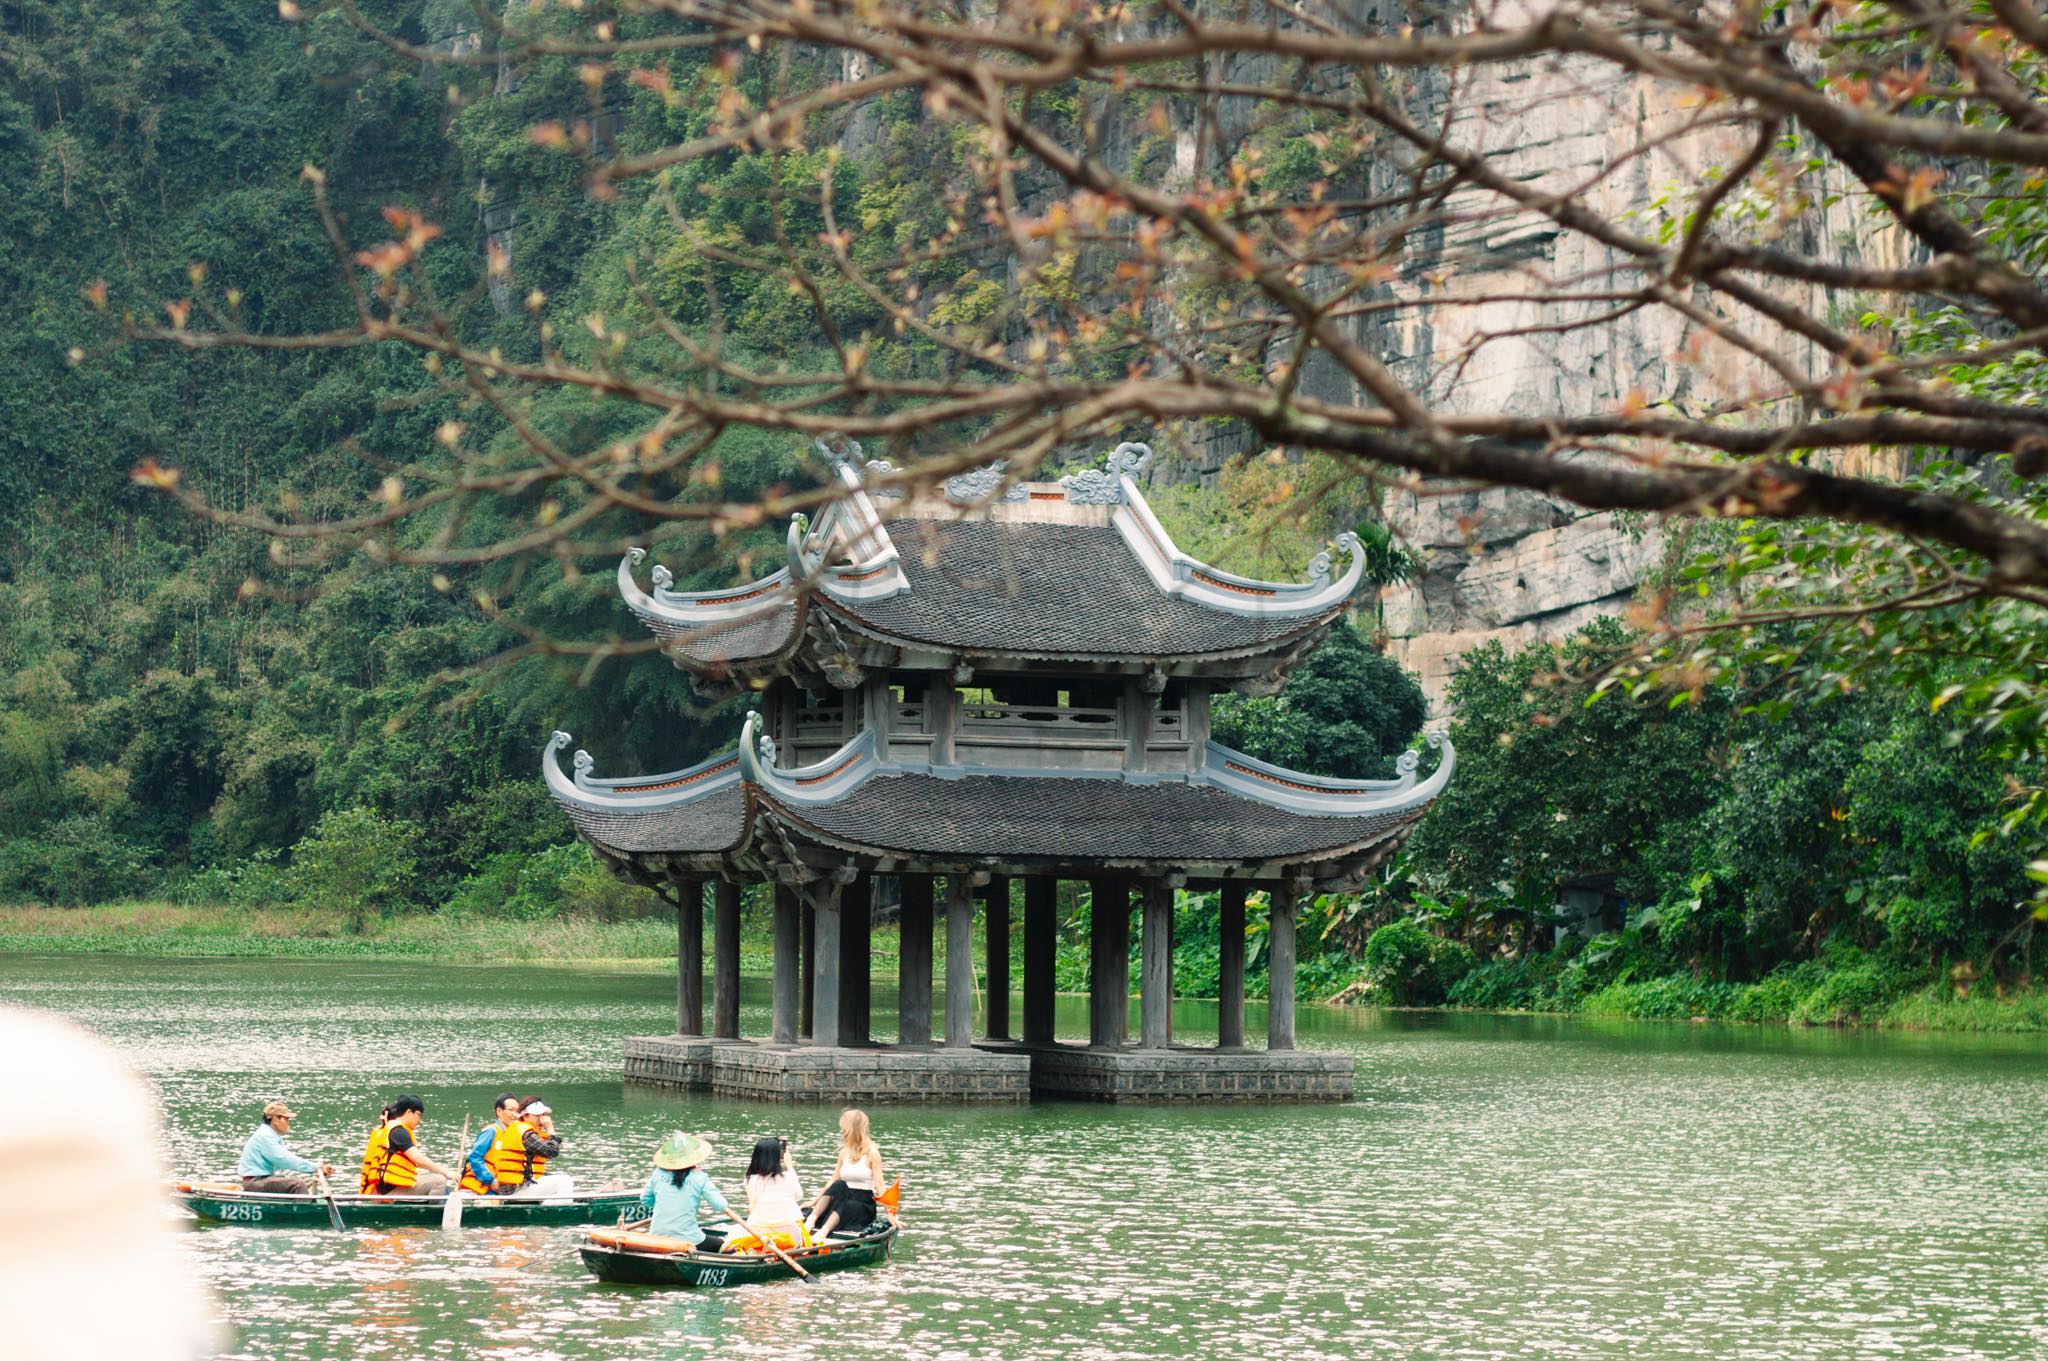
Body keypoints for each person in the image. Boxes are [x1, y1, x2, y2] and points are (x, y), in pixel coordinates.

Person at [639, 1132, 729, 1251]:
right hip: (689, 1240)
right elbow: (720, 1205)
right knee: (722, 1243)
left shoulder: (658, 1173)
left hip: (657, 1236)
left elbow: (645, 1200)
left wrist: (665, 1208)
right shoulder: (700, 1177)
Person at [803, 1108, 883, 1239]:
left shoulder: (872, 1153)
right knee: (838, 1184)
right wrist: (814, 1201)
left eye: (844, 1129)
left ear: (853, 1130)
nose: (841, 1132)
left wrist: (890, 1212)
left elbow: (880, 1186)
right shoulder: (844, 1153)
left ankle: (823, 1232)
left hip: (863, 1204)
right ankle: (811, 1220)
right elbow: (832, 1182)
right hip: (844, 1198)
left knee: (846, 1204)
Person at [722, 1136, 808, 1254]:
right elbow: (799, 1196)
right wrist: (790, 1166)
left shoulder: (749, 1180)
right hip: (790, 1236)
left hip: (759, 1235)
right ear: (779, 1157)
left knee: (736, 1231)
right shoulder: (789, 1177)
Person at [359, 1095, 459, 1196]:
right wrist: (447, 1173)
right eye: (419, 1115)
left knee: (429, 1175)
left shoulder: (389, 1128)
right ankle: (433, 1211)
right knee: (439, 1180)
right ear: (408, 1112)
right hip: (389, 1192)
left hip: (382, 1190)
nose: (420, 1120)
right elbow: (419, 1160)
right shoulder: (398, 1131)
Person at [237, 1100, 334, 1194]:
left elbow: (286, 1159)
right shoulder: (265, 1136)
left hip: (259, 1181)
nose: (288, 1123)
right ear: (275, 1119)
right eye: (286, 1119)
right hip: (255, 1183)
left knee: (292, 1182)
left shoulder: (269, 1134)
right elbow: (283, 1159)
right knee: (297, 1185)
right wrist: (315, 1167)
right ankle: (304, 1210)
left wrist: (315, 1168)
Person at [460, 1093, 533, 1195]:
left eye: (517, 1111)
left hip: (505, 1187)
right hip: (483, 1187)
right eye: (511, 1110)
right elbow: (475, 1158)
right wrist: (490, 1180)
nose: (515, 1114)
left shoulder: (514, 1134)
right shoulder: (491, 1131)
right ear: (499, 1111)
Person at [508, 1096, 572, 1198]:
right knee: (565, 1180)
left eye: (543, 1114)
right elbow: (552, 1152)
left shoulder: (519, 1128)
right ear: (525, 1116)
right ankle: (561, 1212)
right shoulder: (526, 1134)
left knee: (555, 1180)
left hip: (519, 1186)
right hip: (518, 1189)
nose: (542, 1119)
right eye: (537, 1115)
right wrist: (550, 1129)